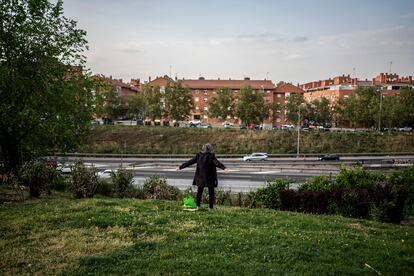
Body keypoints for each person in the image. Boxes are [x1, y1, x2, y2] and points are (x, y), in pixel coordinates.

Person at [176, 143, 229, 211]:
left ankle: (198, 206)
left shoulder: (198, 156)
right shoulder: (211, 156)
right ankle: (210, 207)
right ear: (210, 149)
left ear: (203, 149)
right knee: (211, 192)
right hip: (210, 177)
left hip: (200, 177)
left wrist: (180, 167)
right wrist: (224, 168)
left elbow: (189, 162)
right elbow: (217, 163)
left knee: (199, 192)